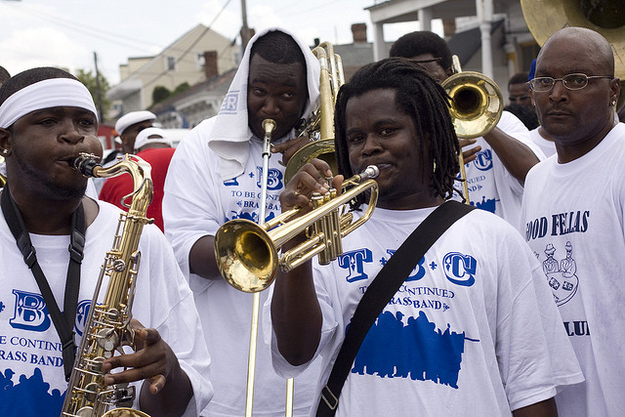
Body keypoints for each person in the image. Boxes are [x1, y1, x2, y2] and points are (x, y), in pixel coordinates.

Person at [267, 57, 582, 416]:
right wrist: (295, 245)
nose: (368, 147)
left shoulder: (494, 237)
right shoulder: (328, 241)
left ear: (430, 136)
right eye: (355, 138)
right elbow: (294, 353)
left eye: (387, 131)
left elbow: (531, 387)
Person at [0, 67, 213, 416]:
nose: (74, 136)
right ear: (4, 141)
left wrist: (168, 370)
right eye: (49, 121)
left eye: (86, 123)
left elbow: (187, 391)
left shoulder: (144, 239)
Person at [162, 28, 323, 416]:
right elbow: (182, 245)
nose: (271, 107)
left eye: (287, 95)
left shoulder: (328, 153)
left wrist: (311, 165)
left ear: (306, 95)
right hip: (221, 362)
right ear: (243, 87)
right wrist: (254, 251)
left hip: (307, 371)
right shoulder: (203, 144)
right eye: (259, 92)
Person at [521, 26, 625, 416]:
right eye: (544, 80)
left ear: (614, 91)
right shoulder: (537, 179)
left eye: (578, 80)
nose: (557, 93)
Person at [389, 30, 545, 227]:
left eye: (431, 81)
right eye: (413, 85)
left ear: (451, 74)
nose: (424, 92)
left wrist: (480, 120)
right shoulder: (399, 137)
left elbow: (535, 177)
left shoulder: (503, 121)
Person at [99, 127, 175, 232]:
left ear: (136, 150)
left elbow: (101, 218)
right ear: (169, 145)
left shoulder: (117, 172)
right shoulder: (184, 159)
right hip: (183, 242)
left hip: (132, 242)